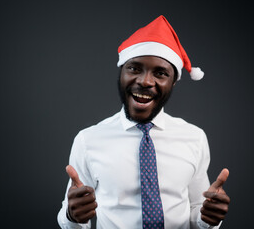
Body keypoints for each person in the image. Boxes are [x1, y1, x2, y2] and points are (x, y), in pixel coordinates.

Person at [57, 15, 230, 229]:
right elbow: (73, 217)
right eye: (134, 68)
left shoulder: (194, 137)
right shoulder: (88, 140)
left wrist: (208, 218)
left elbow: (197, 208)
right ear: (121, 73)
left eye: (160, 73)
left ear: (173, 83)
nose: (145, 81)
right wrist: (72, 217)